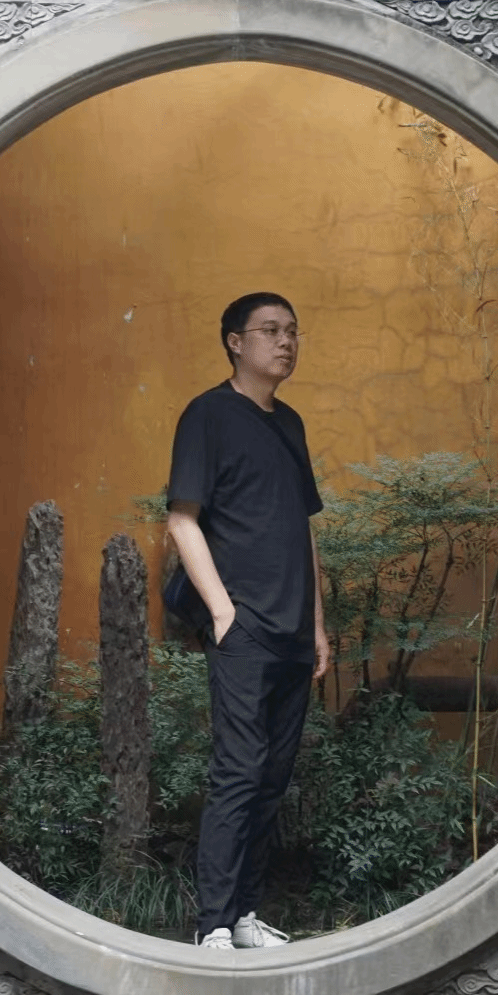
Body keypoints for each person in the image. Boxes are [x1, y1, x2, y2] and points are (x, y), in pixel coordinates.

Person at [166, 292, 330, 950]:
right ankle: (211, 924)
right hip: (244, 629)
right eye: (270, 330)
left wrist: (317, 624)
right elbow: (182, 519)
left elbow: (304, 529)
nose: (285, 341)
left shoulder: (290, 423)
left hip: (294, 632)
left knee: (272, 776)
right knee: (239, 771)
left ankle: (243, 915)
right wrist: (222, 611)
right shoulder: (208, 415)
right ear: (236, 342)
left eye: (292, 330)